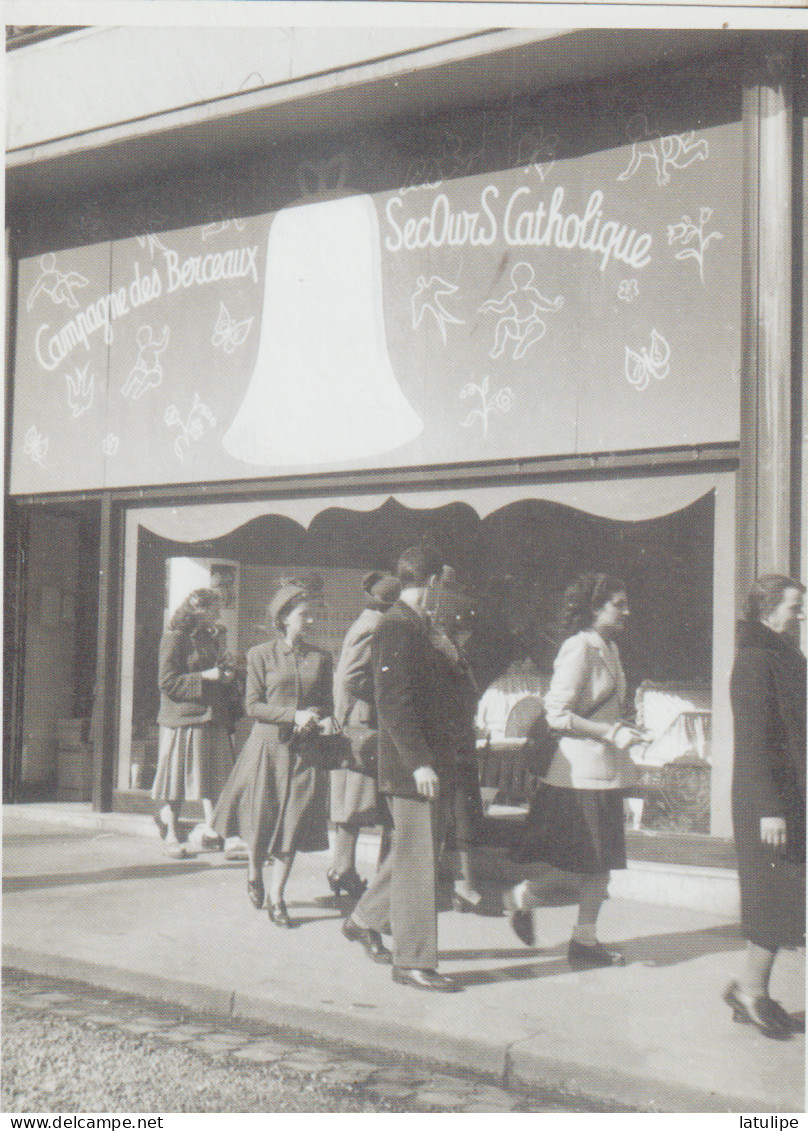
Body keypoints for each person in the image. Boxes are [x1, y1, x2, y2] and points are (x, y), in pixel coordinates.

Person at [504, 572, 647, 968]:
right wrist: (610, 732)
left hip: (606, 773)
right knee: (586, 866)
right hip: (579, 776)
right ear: (593, 608)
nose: (626, 611)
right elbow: (556, 715)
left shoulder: (609, 648)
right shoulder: (579, 647)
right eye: (618, 604)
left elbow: (605, 709)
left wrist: (624, 730)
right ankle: (521, 899)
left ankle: (583, 940)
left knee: (600, 866)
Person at [342, 546, 461, 992]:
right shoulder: (395, 626)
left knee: (412, 854)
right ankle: (411, 962)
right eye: (445, 587)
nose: (447, 596)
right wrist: (420, 764)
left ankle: (363, 919)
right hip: (414, 767)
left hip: (427, 763)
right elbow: (393, 703)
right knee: (417, 864)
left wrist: (449, 654)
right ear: (431, 583)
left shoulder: (421, 628)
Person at [212, 581, 334, 927]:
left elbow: (327, 706)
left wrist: (321, 721)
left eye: (311, 615)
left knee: (292, 824)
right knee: (262, 820)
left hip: (303, 752)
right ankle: (254, 870)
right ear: (283, 618)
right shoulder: (260, 654)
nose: (309, 621)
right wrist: (291, 715)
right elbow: (252, 706)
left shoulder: (321, 658)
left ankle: (277, 897)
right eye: (303, 615)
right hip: (267, 749)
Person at [724, 575, 806, 1039]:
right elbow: (756, 741)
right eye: (795, 607)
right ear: (768, 610)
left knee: (782, 896)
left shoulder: (782, 655)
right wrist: (771, 808)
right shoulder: (756, 661)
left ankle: (750, 989)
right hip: (767, 799)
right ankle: (749, 992)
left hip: (788, 795)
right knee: (771, 896)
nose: (801, 616)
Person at [327, 571, 399, 901]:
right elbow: (349, 677)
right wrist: (384, 692)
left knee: (357, 803)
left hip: (361, 719)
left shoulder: (370, 621)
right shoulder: (373, 625)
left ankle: (343, 870)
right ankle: (342, 869)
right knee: (355, 801)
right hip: (362, 721)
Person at [152, 588, 235, 857]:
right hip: (185, 720)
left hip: (211, 716)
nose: (219, 614)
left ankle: (214, 830)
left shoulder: (209, 638)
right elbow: (166, 682)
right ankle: (172, 834)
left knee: (214, 778)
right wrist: (206, 677)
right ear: (199, 609)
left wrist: (226, 674)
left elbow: (214, 671)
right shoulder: (174, 638)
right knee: (177, 782)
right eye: (215, 609)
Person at [427, 583, 484, 912]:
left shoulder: (455, 655)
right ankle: (438, 886)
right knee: (443, 818)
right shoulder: (438, 655)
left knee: (463, 815)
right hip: (445, 747)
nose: (469, 638)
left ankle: (465, 886)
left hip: (459, 744)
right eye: (464, 631)